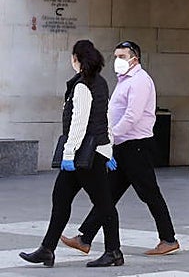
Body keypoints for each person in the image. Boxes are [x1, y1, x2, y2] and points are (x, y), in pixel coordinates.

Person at [63, 40, 180, 257]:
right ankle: (85, 237)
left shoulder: (140, 81)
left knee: (149, 193)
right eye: (116, 56)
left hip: (136, 146)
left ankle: (168, 238)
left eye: (122, 56)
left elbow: (132, 116)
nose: (118, 60)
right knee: (107, 193)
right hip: (122, 146)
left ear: (135, 58)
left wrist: (110, 136)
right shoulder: (124, 80)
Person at [19, 39, 123, 268]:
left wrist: (68, 154)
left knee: (103, 204)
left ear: (76, 59)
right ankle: (47, 249)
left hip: (85, 156)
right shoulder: (100, 82)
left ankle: (114, 251)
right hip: (92, 153)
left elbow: (79, 124)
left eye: (72, 57)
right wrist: (109, 148)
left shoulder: (82, 86)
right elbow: (106, 118)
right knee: (61, 198)